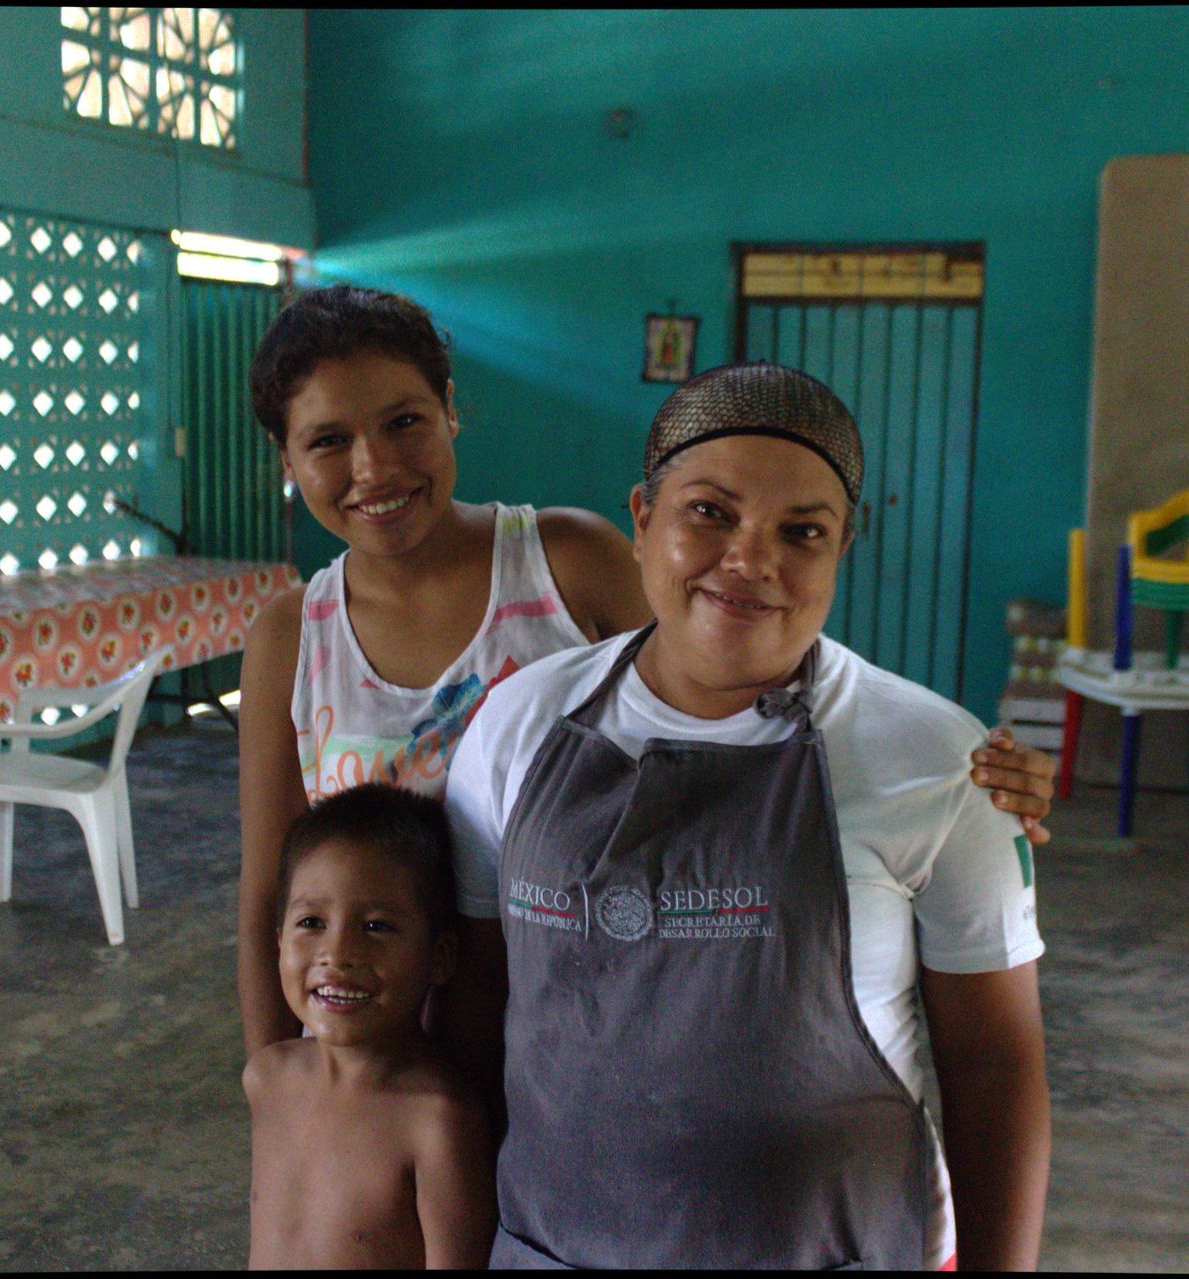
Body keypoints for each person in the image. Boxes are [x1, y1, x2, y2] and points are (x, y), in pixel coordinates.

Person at [236, 285, 1057, 1060]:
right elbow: (268, 891)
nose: (375, 467)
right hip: (372, 1051)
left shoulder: (562, 563)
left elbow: (735, 681)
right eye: (328, 440)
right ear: (286, 454)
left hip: (589, 1020)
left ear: (451, 409)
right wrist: (281, 1086)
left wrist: (951, 768)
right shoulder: (293, 635)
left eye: (405, 421)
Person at [438, 363, 1050, 1270]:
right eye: (709, 513)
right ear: (643, 519)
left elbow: (996, 1066)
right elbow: (479, 1000)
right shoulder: (518, 725)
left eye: (801, 531)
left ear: (843, 547)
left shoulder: (936, 760)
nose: (749, 559)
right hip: (553, 1248)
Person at [244, 783, 497, 1270]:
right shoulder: (267, 1080)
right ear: (278, 941)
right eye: (311, 922)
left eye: (377, 926)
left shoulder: (437, 1121)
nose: (337, 955)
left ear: (439, 957)